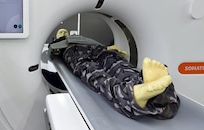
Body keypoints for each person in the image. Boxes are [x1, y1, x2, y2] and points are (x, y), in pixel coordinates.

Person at [48, 29, 180, 120]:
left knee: (117, 67)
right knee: (93, 70)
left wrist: (111, 49)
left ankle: (146, 91)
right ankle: (140, 94)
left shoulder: (87, 40)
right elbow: (55, 51)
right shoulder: (62, 45)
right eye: (63, 34)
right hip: (77, 51)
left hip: (100, 50)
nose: (65, 34)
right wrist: (61, 45)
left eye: (64, 34)